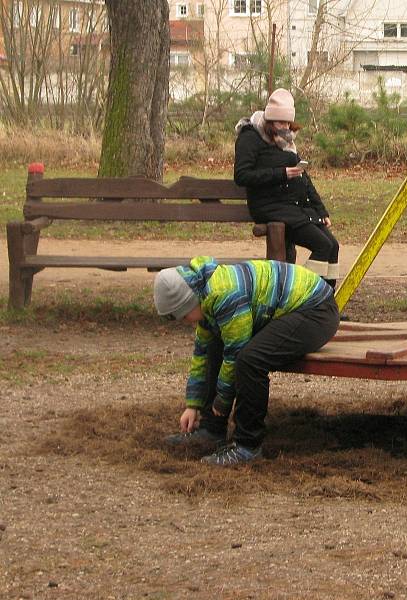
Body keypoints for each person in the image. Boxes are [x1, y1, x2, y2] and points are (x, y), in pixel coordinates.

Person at [153, 256, 339, 466]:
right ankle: (211, 429)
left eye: (183, 315)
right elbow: (202, 353)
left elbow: (235, 354)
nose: (185, 321)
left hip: (316, 311)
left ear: (189, 300)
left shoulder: (225, 295)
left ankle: (247, 446)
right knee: (215, 343)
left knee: (250, 360)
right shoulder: (203, 295)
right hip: (285, 310)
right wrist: (193, 405)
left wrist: (222, 401)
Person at [234, 88, 340, 289]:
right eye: (280, 123)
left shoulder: (286, 140)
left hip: (294, 207)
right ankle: (304, 297)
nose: (285, 128)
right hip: (270, 207)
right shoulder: (250, 137)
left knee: (332, 245)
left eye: (288, 123)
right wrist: (281, 173)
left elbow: (304, 179)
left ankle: (326, 302)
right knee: (323, 245)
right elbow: (242, 176)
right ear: (269, 120)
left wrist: (321, 210)